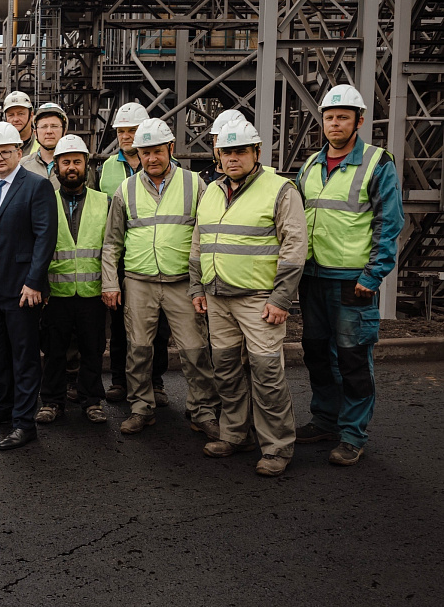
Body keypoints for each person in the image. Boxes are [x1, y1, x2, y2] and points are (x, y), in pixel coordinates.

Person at [294, 84, 403, 466]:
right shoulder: (311, 165)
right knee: (316, 353)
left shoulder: (377, 163)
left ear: (359, 120)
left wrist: (372, 276)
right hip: (313, 278)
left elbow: (389, 224)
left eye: (343, 117)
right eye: (329, 117)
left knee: (353, 358)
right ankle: (325, 419)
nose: (335, 123)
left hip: (352, 281)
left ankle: (353, 433)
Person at [190, 120, 307, 477]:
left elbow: (294, 247)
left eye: (240, 151)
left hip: (259, 300)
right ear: (218, 155)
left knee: (267, 373)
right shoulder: (211, 191)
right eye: (226, 152)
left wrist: (281, 298)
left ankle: (276, 447)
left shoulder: (280, 190)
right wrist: (197, 287)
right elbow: (198, 244)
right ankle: (235, 434)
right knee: (226, 370)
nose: (232, 158)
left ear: (257, 152)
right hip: (217, 297)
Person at [101, 117, 221, 438]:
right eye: (145, 152)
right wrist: (110, 282)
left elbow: (207, 236)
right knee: (138, 349)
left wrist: (202, 283)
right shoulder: (126, 189)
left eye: (157, 151)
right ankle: (141, 408)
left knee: (195, 350)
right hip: (139, 282)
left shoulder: (195, 184)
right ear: (138, 154)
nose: (151, 158)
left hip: (183, 282)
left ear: (170, 148)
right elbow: (112, 242)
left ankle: (203, 411)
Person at [0, 121, 57, 450]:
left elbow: (45, 237)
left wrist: (34, 282)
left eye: (5, 152)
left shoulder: (36, 186)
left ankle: (24, 422)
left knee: (24, 355)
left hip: (22, 287)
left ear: (19, 152)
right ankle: (5, 407)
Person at [96, 102, 171, 408]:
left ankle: (156, 381)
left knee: (159, 327)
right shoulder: (107, 167)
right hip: (123, 257)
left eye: (132, 130)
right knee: (119, 323)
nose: (126, 136)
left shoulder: (165, 164)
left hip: (158, 259)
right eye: (121, 131)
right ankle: (119, 380)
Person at [36, 135, 110, 426]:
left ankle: (92, 401)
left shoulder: (103, 201)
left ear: (86, 165)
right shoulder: (45, 201)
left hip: (93, 291)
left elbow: (111, 247)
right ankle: (52, 401)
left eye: (77, 162)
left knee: (93, 349)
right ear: (56, 167)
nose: (71, 167)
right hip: (56, 292)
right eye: (65, 162)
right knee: (54, 350)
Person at [0, 91, 40, 184]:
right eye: (11, 115)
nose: (15, 119)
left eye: (20, 114)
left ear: (31, 115)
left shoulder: (41, 144)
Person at [19, 102, 66, 190]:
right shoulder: (22, 166)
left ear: (64, 131)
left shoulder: (73, 166)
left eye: (54, 126)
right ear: (35, 133)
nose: (49, 131)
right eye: (44, 126)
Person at [200, 109, 247, 184]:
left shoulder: (259, 179)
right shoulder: (200, 180)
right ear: (213, 142)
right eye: (220, 139)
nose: (225, 146)